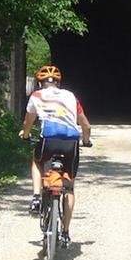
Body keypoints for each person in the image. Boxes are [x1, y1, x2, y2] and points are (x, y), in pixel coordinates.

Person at [19, 64, 91, 247]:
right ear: (58, 83)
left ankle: (36, 197)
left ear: (40, 83)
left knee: (37, 162)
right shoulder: (71, 96)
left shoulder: (36, 96)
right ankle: (65, 232)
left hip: (49, 141)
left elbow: (28, 121)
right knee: (69, 186)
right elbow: (86, 126)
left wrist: (25, 134)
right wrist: (86, 140)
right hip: (71, 144)